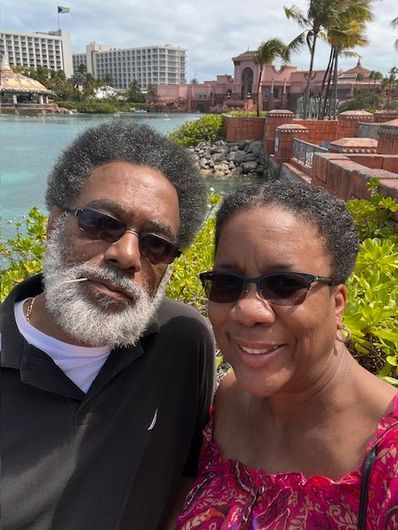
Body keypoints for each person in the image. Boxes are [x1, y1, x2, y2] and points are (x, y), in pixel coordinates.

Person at [1, 121, 215, 530]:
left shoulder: (182, 342)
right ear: (53, 224)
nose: (127, 254)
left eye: (156, 243)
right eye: (100, 222)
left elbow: (186, 473)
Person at [176, 180, 398, 529]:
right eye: (227, 284)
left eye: (285, 285)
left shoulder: (390, 459)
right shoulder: (227, 400)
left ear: (337, 303)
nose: (247, 310)